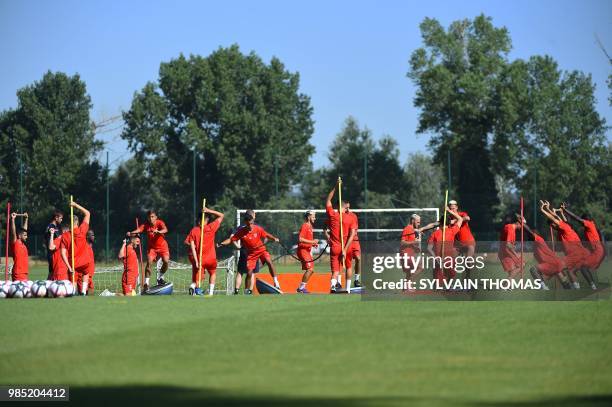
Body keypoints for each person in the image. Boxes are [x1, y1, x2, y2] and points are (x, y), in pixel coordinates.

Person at [219, 210, 281, 293]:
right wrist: (222, 243)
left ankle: (276, 282)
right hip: (251, 254)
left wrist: (274, 239)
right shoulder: (241, 232)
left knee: (269, 261)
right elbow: (231, 240)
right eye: (248, 224)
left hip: (261, 250)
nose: (250, 226)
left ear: (253, 221)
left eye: (251, 223)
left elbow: (266, 235)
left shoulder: (258, 228)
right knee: (249, 273)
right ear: (245, 223)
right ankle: (246, 291)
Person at [540, 201, 594, 289]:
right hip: (578, 253)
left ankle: (574, 289)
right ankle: (589, 286)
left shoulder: (564, 227)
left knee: (562, 268)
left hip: (576, 253)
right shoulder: (563, 228)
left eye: (552, 226)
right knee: (572, 270)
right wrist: (548, 208)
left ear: (554, 224)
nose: (552, 228)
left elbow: (554, 219)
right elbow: (556, 217)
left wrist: (543, 210)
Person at [518, 215, 571, 290]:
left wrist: (522, 223)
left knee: (533, 269)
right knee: (562, 280)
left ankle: (544, 288)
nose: (527, 238)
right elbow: (529, 234)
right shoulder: (535, 244)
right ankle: (569, 290)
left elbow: (529, 232)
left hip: (552, 264)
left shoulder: (538, 239)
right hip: (555, 263)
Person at [185, 207, 224, 296]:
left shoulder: (193, 230)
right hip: (211, 258)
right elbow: (221, 215)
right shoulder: (211, 227)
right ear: (207, 220)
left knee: (199, 278)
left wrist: (196, 261)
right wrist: (209, 210)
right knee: (213, 273)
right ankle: (210, 293)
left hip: (200, 259)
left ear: (199, 220)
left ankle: (194, 287)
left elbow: (192, 247)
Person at [325, 182, 356, 293]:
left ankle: (333, 286)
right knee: (348, 267)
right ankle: (347, 289)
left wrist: (335, 186)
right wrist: (345, 249)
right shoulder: (351, 218)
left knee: (335, 271)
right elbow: (352, 234)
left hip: (335, 247)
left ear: (337, 206)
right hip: (346, 247)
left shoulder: (332, 215)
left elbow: (328, 200)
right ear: (344, 206)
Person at [128, 210, 170, 291]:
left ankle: (160, 278)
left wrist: (158, 231)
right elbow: (139, 230)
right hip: (152, 248)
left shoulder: (160, 222)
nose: (151, 219)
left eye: (152, 217)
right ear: (147, 218)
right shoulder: (146, 225)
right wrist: (131, 232)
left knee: (166, 261)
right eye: (149, 217)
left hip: (163, 247)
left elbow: (165, 230)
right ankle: (146, 283)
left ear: (156, 217)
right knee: (149, 262)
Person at [60, 201, 93, 296]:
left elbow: (63, 253)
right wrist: (75, 205)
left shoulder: (65, 236)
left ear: (69, 224)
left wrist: (69, 267)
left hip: (73, 263)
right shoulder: (82, 230)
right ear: (77, 222)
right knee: (86, 274)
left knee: (73, 278)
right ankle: (83, 291)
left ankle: (73, 293)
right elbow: (87, 213)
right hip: (85, 261)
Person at [561, 203, 605, 272]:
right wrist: (564, 213)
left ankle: (591, 283)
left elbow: (576, 218)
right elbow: (569, 224)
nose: (582, 222)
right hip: (594, 250)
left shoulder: (589, 224)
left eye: (583, 220)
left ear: (586, 219)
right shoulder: (589, 227)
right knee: (580, 265)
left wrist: (565, 210)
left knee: (582, 266)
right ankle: (590, 282)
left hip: (597, 251)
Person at [427, 208, 463, 284]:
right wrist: (450, 211)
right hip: (449, 259)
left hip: (438, 260)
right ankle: (448, 286)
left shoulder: (435, 233)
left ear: (440, 222)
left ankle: (442, 287)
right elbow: (460, 219)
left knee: (438, 283)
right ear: (449, 222)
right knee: (451, 275)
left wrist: (435, 257)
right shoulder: (452, 230)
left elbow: (429, 248)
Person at [400, 214, 438, 287]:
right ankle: (407, 284)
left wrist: (437, 223)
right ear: (412, 220)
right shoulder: (407, 229)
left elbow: (427, 227)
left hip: (412, 253)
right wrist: (413, 242)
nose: (419, 224)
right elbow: (402, 242)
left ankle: (406, 287)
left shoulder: (415, 230)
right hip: (407, 254)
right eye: (418, 222)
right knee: (420, 267)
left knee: (410, 272)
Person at [448, 200, 476, 276]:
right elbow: (438, 223)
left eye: (453, 208)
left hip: (469, 242)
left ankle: (468, 279)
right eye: (450, 209)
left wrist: (455, 221)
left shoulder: (462, 214)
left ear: (457, 207)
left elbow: (467, 218)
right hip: (457, 244)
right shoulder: (448, 218)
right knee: (450, 261)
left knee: (468, 261)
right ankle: (449, 282)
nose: (452, 210)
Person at [296, 210, 319, 294]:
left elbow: (307, 240)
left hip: (307, 251)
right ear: (309, 217)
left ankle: (301, 288)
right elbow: (300, 239)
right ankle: (301, 288)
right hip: (303, 251)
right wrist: (313, 242)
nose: (315, 218)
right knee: (310, 269)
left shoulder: (310, 226)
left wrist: (313, 244)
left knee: (311, 270)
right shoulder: (305, 226)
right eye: (313, 216)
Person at [497, 214, 522, 280]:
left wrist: (513, 245)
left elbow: (508, 243)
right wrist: (516, 255)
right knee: (521, 265)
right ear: (518, 222)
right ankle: (504, 286)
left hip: (505, 252)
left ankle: (507, 286)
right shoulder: (510, 228)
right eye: (522, 224)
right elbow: (508, 244)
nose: (523, 227)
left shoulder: (510, 228)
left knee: (512, 270)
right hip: (505, 252)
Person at [343, 202, 362, 288]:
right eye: (346, 207)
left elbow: (355, 229)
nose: (348, 209)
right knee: (347, 263)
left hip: (354, 240)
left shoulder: (353, 216)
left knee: (358, 258)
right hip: (345, 241)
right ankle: (340, 282)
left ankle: (357, 279)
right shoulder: (340, 216)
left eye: (348, 207)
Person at [10, 212, 29, 282]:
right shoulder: (16, 243)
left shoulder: (23, 245)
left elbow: (24, 230)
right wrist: (12, 220)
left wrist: (26, 219)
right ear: (19, 236)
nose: (26, 237)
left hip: (24, 273)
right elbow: (13, 232)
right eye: (25, 235)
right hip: (18, 274)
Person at [44, 209, 63, 279]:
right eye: (60, 218)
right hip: (52, 254)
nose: (61, 220)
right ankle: (47, 288)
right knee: (53, 273)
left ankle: (47, 288)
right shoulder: (51, 227)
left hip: (55, 253)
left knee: (51, 273)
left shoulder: (56, 227)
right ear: (56, 217)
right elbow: (50, 242)